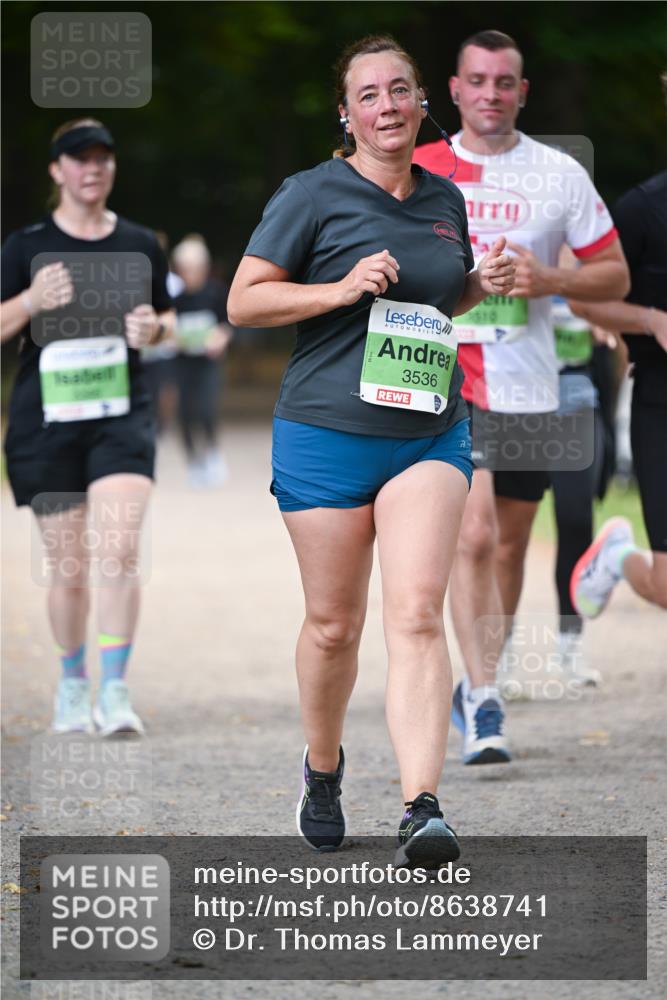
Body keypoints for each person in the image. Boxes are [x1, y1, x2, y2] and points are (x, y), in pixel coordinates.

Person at [227, 35, 515, 867]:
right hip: (324, 435)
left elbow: (438, 298)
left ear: (422, 102)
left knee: (418, 614)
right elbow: (247, 301)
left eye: (401, 91)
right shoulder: (310, 194)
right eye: (369, 94)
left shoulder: (445, 198)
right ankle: (322, 770)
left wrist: (476, 285)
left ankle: (421, 807)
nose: (387, 106)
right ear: (345, 114)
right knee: (331, 626)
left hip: (427, 431)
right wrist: (340, 287)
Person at [413, 30, 629, 762]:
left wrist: (551, 280)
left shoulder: (558, 173)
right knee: (470, 537)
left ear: (521, 92)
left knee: (506, 545)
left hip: (530, 388)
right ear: (453, 89)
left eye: (503, 82)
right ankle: (484, 700)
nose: (489, 94)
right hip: (442, 379)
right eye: (476, 81)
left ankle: (482, 674)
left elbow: (614, 277)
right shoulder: (420, 168)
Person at [1, 118, 174, 736]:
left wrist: (154, 330)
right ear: (57, 170)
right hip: (46, 424)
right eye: (79, 159)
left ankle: (116, 691)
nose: (92, 168)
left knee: (121, 551)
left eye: (102, 158)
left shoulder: (139, 243)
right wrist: (29, 303)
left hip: (120, 418)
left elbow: (169, 321)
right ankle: (73, 686)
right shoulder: (25, 247)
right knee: (69, 565)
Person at [569, 163, 667, 614]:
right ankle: (619, 557)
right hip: (659, 400)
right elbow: (583, 298)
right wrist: (649, 320)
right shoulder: (642, 208)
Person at [171, 235, 232, 487]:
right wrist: (171, 338)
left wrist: (221, 337)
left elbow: (227, 322)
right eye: (186, 268)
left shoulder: (215, 292)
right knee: (185, 413)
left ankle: (212, 454)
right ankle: (192, 460)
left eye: (196, 267)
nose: (191, 273)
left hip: (208, 363)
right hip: (182, 363)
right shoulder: (174, 297)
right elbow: (165, 327)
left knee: (206, 409)